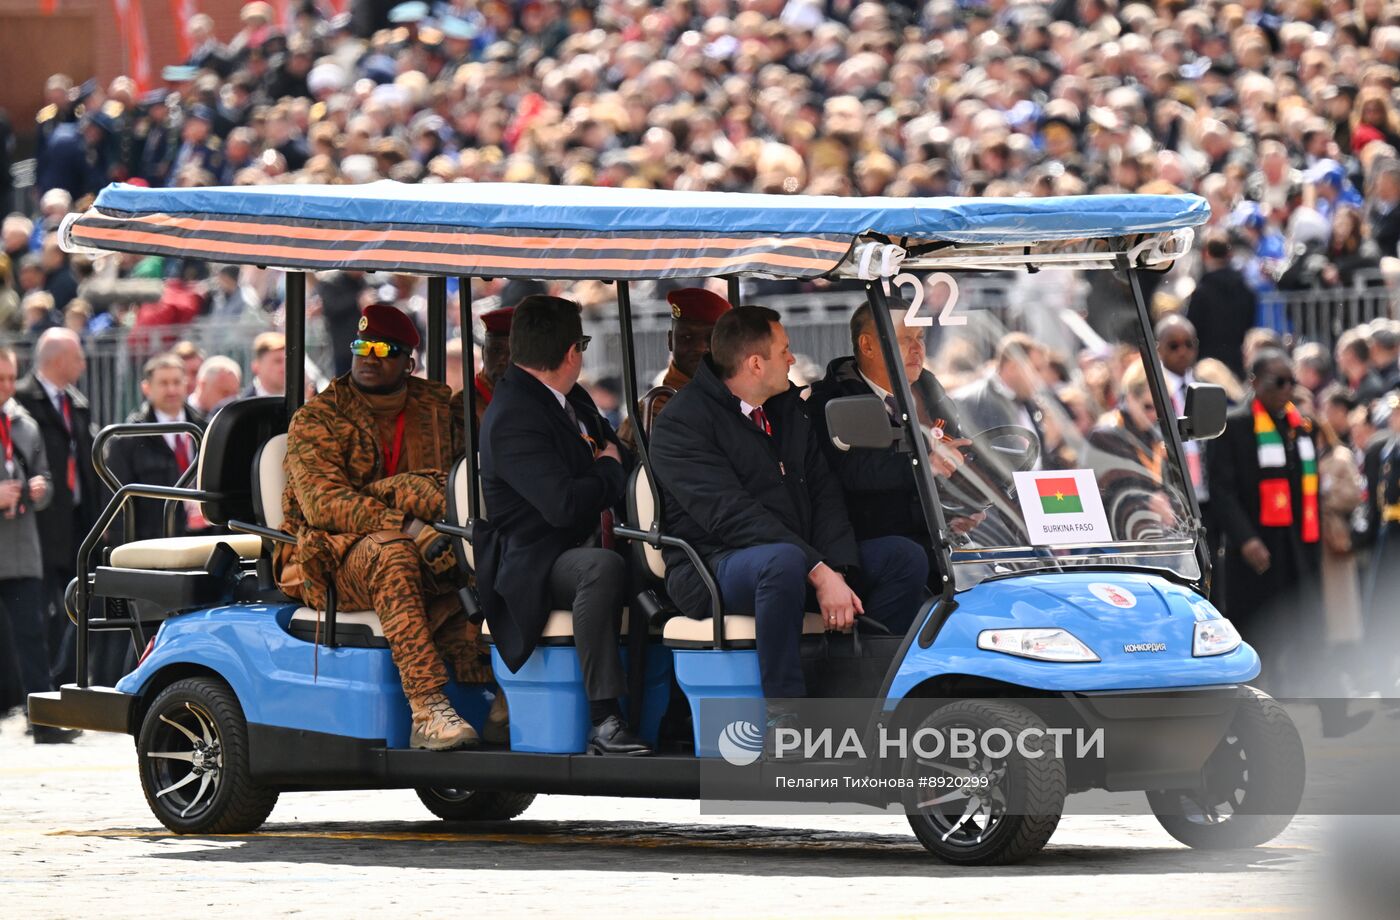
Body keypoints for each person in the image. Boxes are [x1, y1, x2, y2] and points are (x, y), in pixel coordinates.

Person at [649, 306, 928, 732]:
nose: (793, 359)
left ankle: (861, 703)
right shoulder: (681, 423)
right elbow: (732, 517)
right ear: (756, 363)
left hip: (796, 557)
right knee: (780, 562)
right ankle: (786, 715)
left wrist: (836, 567)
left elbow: (824, 493)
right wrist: (818, 572)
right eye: (785, 350)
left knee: (902, 557)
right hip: (713, 565)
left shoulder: (786, 409)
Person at [275, 303, 493, 751]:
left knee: (490, 539)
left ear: (408, 363)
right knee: (392, 552)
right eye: (362, 346)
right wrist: (409, 523)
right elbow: (324, 505)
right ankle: (428, 706)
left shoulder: (434, 407)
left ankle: (500, 691)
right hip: (329, 556)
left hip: (432, 545)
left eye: (384, 349)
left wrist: (417, 505)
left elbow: (458, 481)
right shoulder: (318, 418)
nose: (370, 357)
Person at [475, 295, 650, 756]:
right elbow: (564, 505)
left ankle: (661, 707)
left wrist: (606, 468)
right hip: (537, 557)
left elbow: (620, 453)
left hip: (585, 538)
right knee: (600, 568)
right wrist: (606, 471)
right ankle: (603, 717)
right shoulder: (514, 415)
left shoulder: (571, 397)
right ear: (572, 351)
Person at [808, 299, 978, 572]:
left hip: (933, 536)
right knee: (911, 557)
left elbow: (950, 452)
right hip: (869, 544)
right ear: (867, 346)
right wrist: (926, 464)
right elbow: (853, 472)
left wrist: (965, 507)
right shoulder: (832, 402)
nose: (917, 348)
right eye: (904, 339)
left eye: (920, 338)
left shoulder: (929, 392)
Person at [1207, 348, 1322, 691]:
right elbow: (1222, 490)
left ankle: (1325, 706)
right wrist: (1247, 539)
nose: (1287, 389)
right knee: (1259, 625)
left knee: (1303, 622)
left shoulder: (1298, 426)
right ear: (1255, 382)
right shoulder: (1235, 425)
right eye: (1278, 382)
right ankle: (1259, 696)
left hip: (1297, 543)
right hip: (1258, 543)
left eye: (1292, 382)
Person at [0, 346, 77, 743]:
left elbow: (46, 478)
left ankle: (43, 721)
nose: (7, 388)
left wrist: (40, 489)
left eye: (11, 379)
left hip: (22, 551)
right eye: (0, 380)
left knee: (33, 636)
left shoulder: (23, 424)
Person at [13, 328, 97, 689]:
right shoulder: (23, 402)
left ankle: (64, 682)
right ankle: (37, 687)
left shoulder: (76, 402)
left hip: (75, 521)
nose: (83, 363)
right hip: (37, 526)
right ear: (59, 359)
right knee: (40, 614)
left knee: (75, 609)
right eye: (77, 356)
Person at [106, 355, 205, 543]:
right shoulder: (128, 438)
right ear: (146, 388)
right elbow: (117, 506)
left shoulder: (205, 429)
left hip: (203, 541)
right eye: (163, 383)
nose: (171, 389)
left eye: (177, 382)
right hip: (154, 545)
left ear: (186, 384)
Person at [617, 287, 730, 450]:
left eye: (710, 338)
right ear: (670, 341)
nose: (699, 348)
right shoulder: (647, 414)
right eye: (686, 337)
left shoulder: (741, 398)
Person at [953, 332, 1049, 468]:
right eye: (1036, 369)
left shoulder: (1030, 404)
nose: (1041, 378)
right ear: (1012, 367)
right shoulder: (973, 401)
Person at [1187, 230, 1257, 379]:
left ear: (1205, 254)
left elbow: (1194, 328)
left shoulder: (1201, 292)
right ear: (1229, 254)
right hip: (1236, 361)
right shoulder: (1245, 289)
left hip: (1208, 363)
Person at [471, 306, 512, 427]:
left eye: (513, 352)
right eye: (496, 350)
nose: (504, 360)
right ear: (483, 352)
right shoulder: (464, 406)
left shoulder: (530, 399)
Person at [243, 331, 286, 397]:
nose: (284, 367)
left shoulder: (303, 402)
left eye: (288, 362)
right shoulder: (240, 405)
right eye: (277, 361)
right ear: (257, 366)